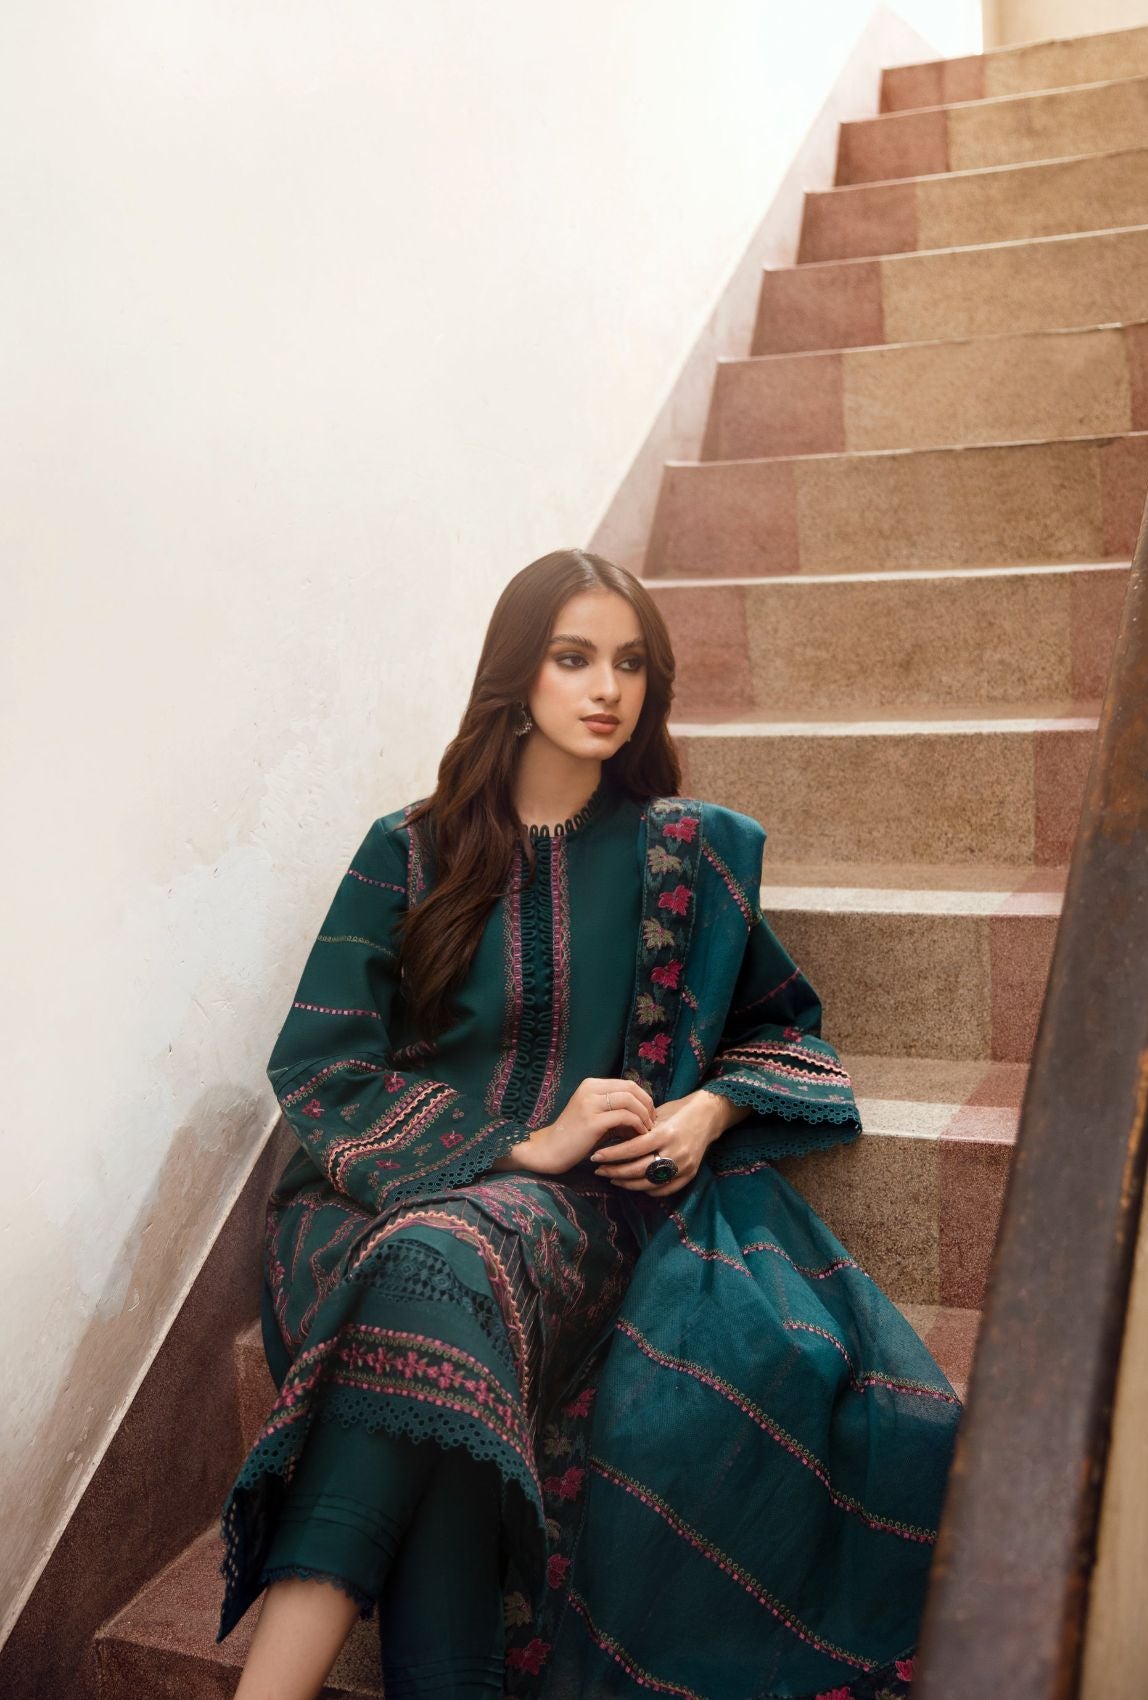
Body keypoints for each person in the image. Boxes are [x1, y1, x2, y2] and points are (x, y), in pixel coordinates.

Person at [215, 548, 962, 1700]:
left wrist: (706, 1108)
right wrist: (521, 1142)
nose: (608, 688)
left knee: (439, 1269)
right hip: (378, 1194)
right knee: (434, 1266)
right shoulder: (406, 850)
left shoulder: (684, 855)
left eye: (630, 663)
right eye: (574, 658)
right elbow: (322, 1061)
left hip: (579, 1218)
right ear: (518, 675)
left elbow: (783, 1029)